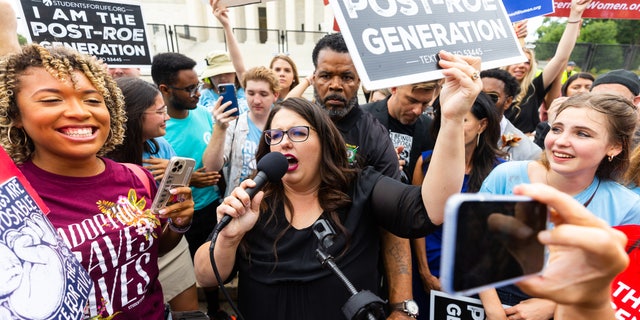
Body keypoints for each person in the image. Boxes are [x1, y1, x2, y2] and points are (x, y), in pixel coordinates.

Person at [193, 48, 484, 320]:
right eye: (275, 136)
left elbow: (429, 209)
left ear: (325, 142)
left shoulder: (361, 187)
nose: (283, 143)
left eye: (297, 133)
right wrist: (229, 238)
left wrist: (453, 117)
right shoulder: (253, 198)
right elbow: (206, 276)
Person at [0, 44, 194, 318]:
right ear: (16, 115)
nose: (79, 112)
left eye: (92, 100)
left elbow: (154, 249)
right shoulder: (11, 199)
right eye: (52, 100)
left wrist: (178, 223)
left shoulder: (137, 177)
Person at [480, 92, 640, 320]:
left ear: (614, 147)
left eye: (582, 134)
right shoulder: (506, 175)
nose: (561, 140)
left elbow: (620, 282)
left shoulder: (629, 207)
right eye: (557, 129)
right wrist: (494, 311)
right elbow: (476, 246)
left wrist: (552, 304)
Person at [106, 77, 204, 317]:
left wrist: (180, 218)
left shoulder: (160, 147)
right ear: (134, 115)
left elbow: (175, 201)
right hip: (128, 258)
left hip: (170, 245)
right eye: (160, 111)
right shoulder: (102, 160)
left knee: (188, 314)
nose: (167, 117)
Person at [410, 93, 506, 319]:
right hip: (429, 266)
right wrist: (424, 271)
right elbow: (415, 221)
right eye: (446, 118)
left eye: (463, 119)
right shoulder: (426, 162)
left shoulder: (500, 171)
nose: (452, 125)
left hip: (476, 276)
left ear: (482, 125)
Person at [151, 52, 226, 319]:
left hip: (210, 206)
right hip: (178, 218)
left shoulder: (205, 114)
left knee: (212, 265)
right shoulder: (157, 131)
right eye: (189, 88)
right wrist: (190, 178)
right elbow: (153, 178)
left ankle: (216, 309)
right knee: (188, 272)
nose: (197, 93)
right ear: (165, 89)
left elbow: (217, 155)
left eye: (199, 86)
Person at [503, 0, 592, 134]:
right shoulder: (492, 86)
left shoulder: (534, 88)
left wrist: (575, 15)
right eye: (518, 60)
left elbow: (561, 57)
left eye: (527, 62)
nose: (522, 65)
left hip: (526, 148)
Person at [202, 66, 280, 195]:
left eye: (263, 94)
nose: (256, 100)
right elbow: (210, 168)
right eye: (251, 93)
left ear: (275, 95)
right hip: (239, 203)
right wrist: (220, 128)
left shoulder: (283, 126)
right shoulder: (234, 123)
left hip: (273, 200)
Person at [361, 81, 439, 182]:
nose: (418, 110)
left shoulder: (429, 128)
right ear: (394, 88)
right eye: (412, 101)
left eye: (425, 104)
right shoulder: (363, 118)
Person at [480, 69, 542, 160]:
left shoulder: (529, 153)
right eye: (478, 95)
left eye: (492, 97)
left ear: (508, 102)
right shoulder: (456, 132)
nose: (481, 101)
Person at [198, 51, 249, 115]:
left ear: (235, 74)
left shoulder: (247, 91)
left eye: (228, 73)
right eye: (217, 74)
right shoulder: (202, 96)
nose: (223, 78)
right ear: (210, 77)